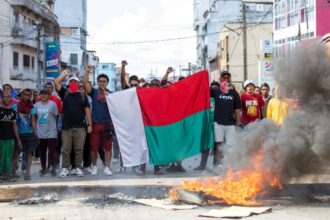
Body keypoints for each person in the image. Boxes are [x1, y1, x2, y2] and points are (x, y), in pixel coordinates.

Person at [54, 70, 92, 178]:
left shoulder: (83, 95)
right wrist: (64, 74)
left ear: (78, 84)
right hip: (66, 127)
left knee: (79, 149)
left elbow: (87, 111)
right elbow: (56, 82)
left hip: (80, 127)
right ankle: (65, 168)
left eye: (75, 82)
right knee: (66, 149)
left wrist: (90, 125)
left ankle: (78, 168)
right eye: (71, 82)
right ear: (68, 84)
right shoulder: (65, 93)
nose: (73, 84)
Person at [83, 65, 113, 176]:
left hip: (107, 125)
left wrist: (109, 97)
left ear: (107, 83)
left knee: (108, 148)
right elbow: (85, 84)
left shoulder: (111, 94)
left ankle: (106, 167)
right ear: (97, 82)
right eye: (100, 81)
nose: (101, 83)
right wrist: (87, 71)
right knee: (94, 147)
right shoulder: (94, 92)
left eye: (104, 81)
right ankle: (94, 166)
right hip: (95, 124)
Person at [12, 89, 38, 181]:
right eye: (25, 95)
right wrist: (17, 137)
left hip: (29, 133)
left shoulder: (31, 107)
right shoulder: (15, 107)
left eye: (28, 95)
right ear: (21, 95)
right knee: (15, 154)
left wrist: (35, 133)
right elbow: (13, 122)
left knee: (29, 153)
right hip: (18, 133)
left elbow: (33, 120)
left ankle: (27, 173)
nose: (26, 97)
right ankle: (13, 173)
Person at [34, 89, 59, 177]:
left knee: (52, 151)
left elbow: (56, 116)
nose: (43, 96)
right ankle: (44, 168)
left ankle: (52, 168)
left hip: (51, 131)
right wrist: (35, 130)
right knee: (42, 151)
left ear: (49, 95)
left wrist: (53, 127)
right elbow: (34, 117)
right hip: (40, 131)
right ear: (39, 96)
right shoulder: (36, 105)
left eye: (45, 94)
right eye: (42, 94)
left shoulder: (53, 104)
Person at [0, 92, 22, 182]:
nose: (6, 98)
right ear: (2, 98)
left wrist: (18, 139)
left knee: (9, 157)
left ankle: (8, 175)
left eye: (8, 97)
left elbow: (14, 126)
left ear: (10, 99)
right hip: (0, 138)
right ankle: (1, 175)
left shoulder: (12, 112)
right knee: (1, 157)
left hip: (10, 138)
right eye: (5, 97)